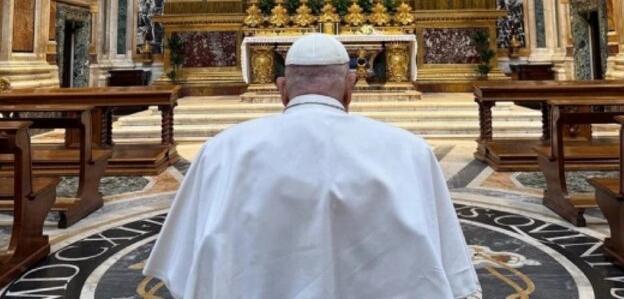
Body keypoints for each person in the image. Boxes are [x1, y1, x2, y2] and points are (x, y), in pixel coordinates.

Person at [144, 34, 479, 299]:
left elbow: (183, 268)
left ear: (281, 89)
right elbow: (449, 271)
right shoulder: (410, 152)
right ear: (350, 86)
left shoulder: (221, 152)